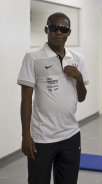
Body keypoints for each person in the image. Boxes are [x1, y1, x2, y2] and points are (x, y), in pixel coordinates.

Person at [17, 12, 88, 184]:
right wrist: (26, 135)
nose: (58, 32)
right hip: (42, 137)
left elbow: (82, 98)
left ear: (68, 32)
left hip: (70, 134)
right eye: (54, 28)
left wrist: (79, 78)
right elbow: (26, 99)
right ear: (46, 29)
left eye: (63, 29)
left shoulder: (77, 59)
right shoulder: (33, 58)